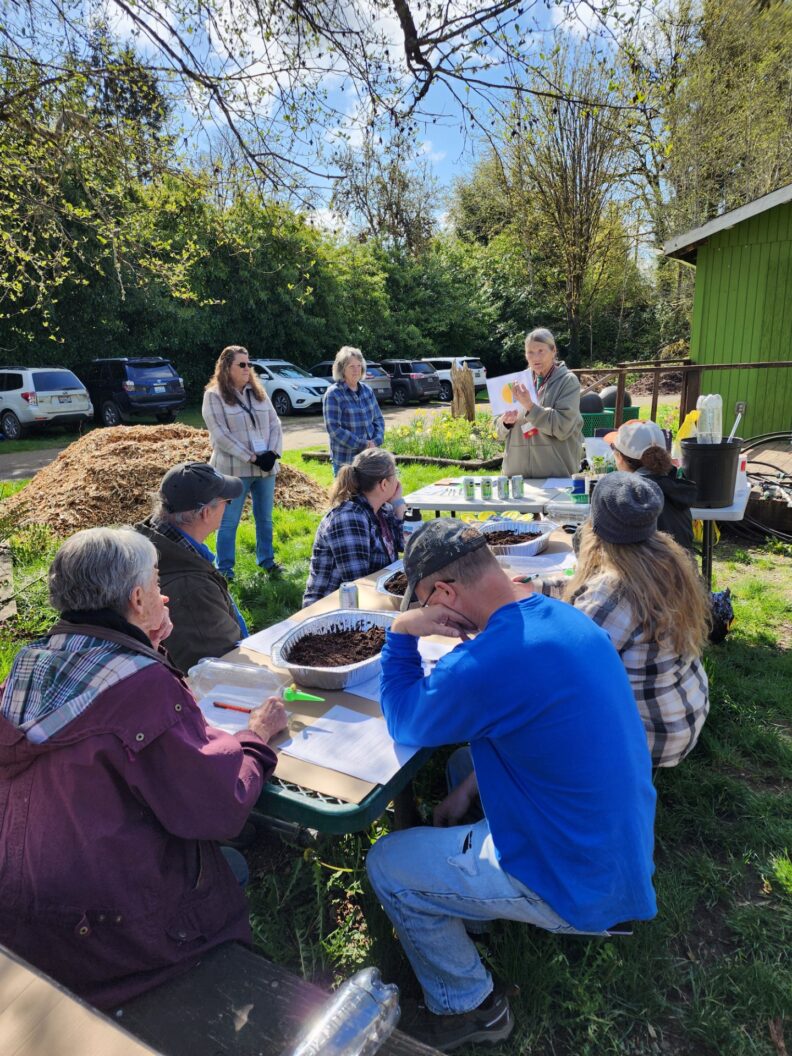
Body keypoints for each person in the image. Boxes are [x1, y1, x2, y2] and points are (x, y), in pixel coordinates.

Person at [366, 519, 657, 1052]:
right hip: (615, 845)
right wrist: (467, 789)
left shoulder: (488, 661)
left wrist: (403, 632)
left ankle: (468, 1006)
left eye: (430, 602)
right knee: (460, 766)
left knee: (388, 864)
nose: (431, 613)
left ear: (445, 592)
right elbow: (537, 726)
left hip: (574, 878)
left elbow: (405, 718)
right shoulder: (560, 617)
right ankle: (472, 911)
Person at [0, 527, 287, 1009]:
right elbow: (219, 806)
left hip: (23, 915)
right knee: (228, 864)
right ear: (136, 597)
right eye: (155, 583)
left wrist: (147, 647)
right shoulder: (142, 687)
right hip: (116, 938)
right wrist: (256, 738)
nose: (163, 593)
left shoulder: (26, 664)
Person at [534, 472, 711, 768]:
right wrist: (535, 585)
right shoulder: (662, 558)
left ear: (596, 527)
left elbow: (564, 665)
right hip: (686, 713)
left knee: (538, 702)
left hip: (651, 740)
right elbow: (584, 586)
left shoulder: (612, 594)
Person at [136, 461, 251, 672]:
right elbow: (223, 665)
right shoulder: (192, 589)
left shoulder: (161, 541)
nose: (228, 507)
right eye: (227, 501)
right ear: (206, 512)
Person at [202, 345, 284, 580]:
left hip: (266, 469)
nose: (248, 368)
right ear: (226, 367)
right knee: (228, 521)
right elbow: (220, 436)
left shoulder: (258, 392)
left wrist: (273, 453)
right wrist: (253, 457)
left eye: (249, 364)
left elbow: (274, 424)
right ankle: (225, 571)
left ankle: (267, 561)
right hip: (233, 470)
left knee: (265, 519)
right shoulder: (214, 396)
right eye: (242, 364)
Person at [303, 448, 405, 606]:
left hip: (371, 599)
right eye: (395, 474)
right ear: (384, 484)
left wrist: (399, 505)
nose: (398, 481)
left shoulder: (383, 510)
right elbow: (358, 584)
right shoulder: (349, 518)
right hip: (331, 611)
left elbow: (407, 546)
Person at [495, 327, 583, 478]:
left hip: (556, 477)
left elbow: (563, 426)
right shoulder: (515, 383)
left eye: (541, 351)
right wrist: (505, 423)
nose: (535, 358)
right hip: (517, 478)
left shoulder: (568, 381)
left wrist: (530, 406)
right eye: (530, 352)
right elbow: (497, 432)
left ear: (553, 350)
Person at [609, 419, 697, 551]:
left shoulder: (627, 494)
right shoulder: (676, 486)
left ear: (620, 457)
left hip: (645, 570)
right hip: (682, 569)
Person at [322, 346, 385, 475]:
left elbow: (378, 419)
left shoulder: (367, 391)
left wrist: (376, 441)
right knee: (348, 496)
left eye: (359, 365)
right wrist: (364, 444)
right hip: (346, 464)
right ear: (341, 369)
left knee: (370, 495)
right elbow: (334, 430)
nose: (356, 370)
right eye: (351, 366)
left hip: (369, 459)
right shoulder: (334, 394)